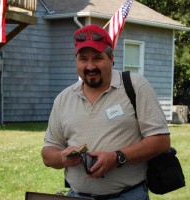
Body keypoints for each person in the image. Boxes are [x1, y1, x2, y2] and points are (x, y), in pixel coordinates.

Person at [41, 24, 170, 200]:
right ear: (76, 60)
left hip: (128, 196)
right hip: (77, 195)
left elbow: (161, 141)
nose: (90, 66)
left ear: (111, 58)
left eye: (97, 58)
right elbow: (48, 153)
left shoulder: (136, 86)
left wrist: (117, 157)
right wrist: (62, 158)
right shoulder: (64, 98)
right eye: (83, 59)